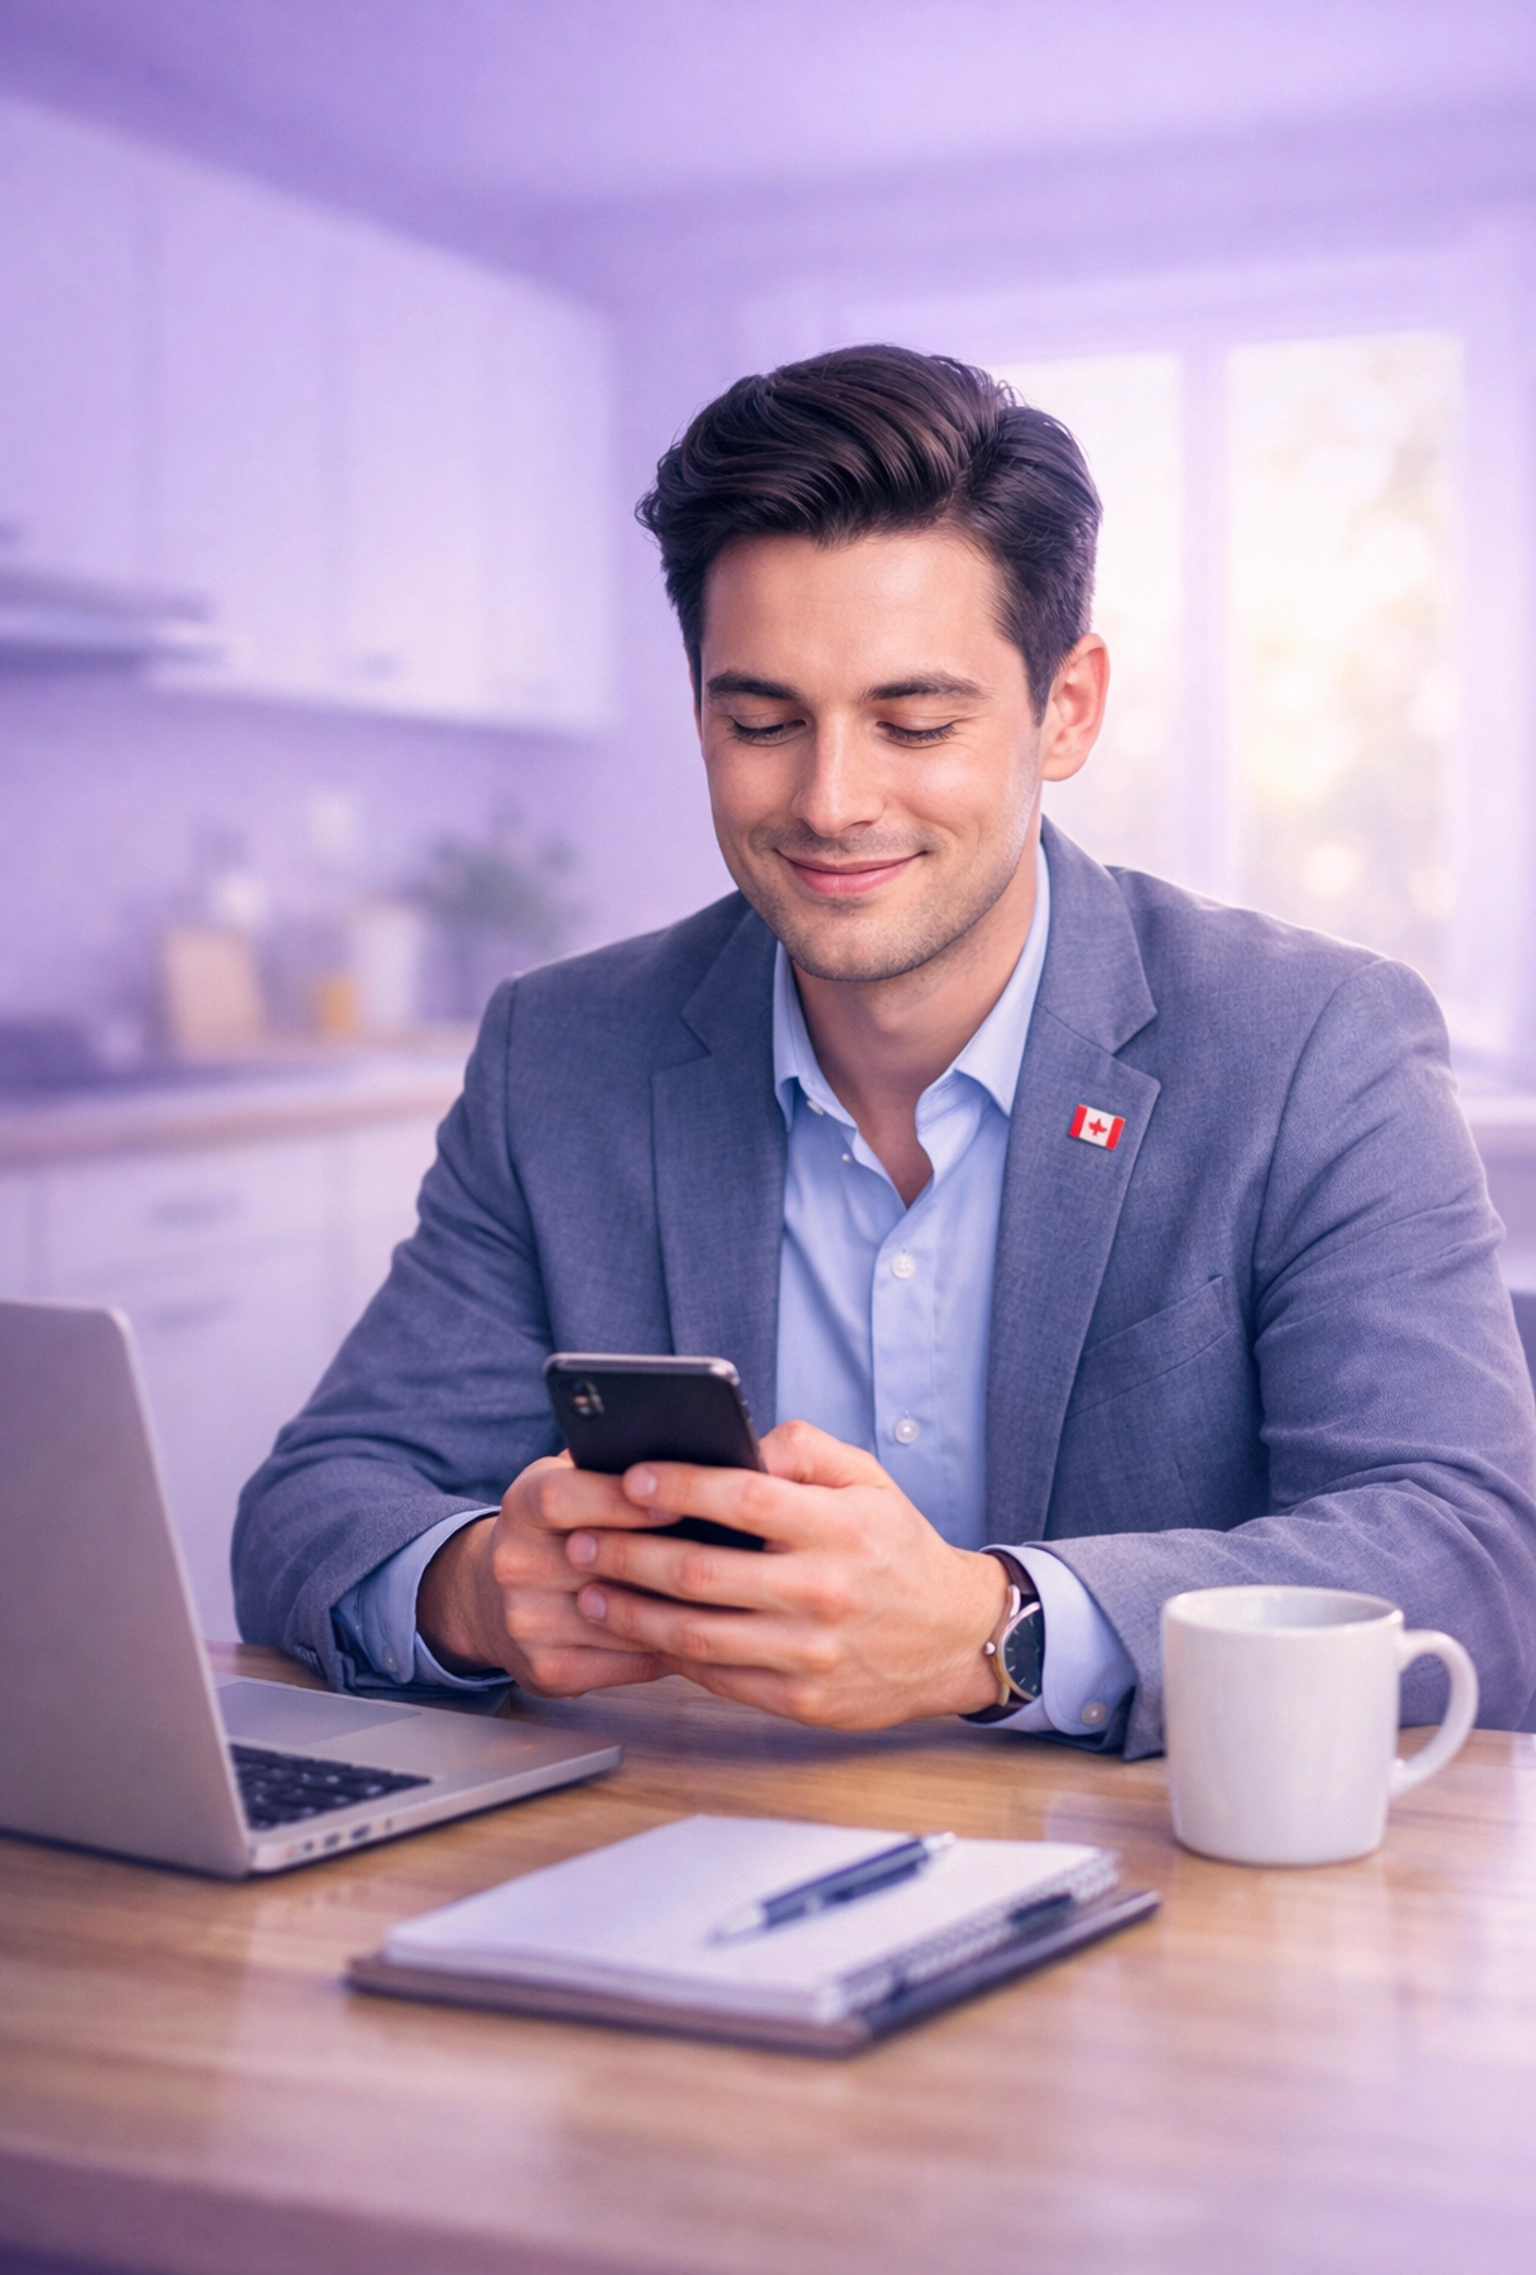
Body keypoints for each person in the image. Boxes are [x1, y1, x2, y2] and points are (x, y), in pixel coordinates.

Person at [234, 345, 1536, 1759]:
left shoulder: (1314, 1045)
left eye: (914, 723)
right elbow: (318, 1500)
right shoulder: (562, 1054)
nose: (831, 800)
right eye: (761, 722)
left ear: (1066, 708)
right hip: (700, 1847)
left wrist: (996, 1629)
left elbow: (1469, 1557)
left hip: (1159, 1867)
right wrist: (478, 1588)